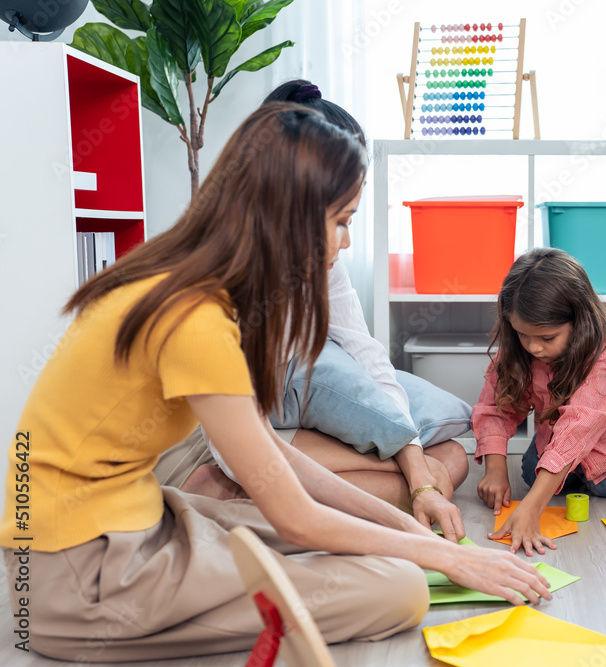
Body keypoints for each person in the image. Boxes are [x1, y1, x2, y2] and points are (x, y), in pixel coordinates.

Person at [0, 104, 549, 662]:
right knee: (401, 588)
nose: (346, 243)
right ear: (290, 218)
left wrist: (407, 528)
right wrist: (447, 559)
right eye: (341, 222)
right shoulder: (195, 318)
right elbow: (293, 513)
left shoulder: (194, 285)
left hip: (134, 517)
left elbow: (273, 457)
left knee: (393, 555)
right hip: (76, 571)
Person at [162, 80, 473, 542]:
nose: (347, 239)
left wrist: (414, 465)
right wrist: (412, 475)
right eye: (342, 218)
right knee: (419, 476)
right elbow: (241, 448)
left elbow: (366, 355)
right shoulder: (217, 298)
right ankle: (230, 496)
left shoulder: (321, 260)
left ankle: (246, 495)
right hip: (241, 437)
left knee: (453, 458)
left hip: (285, 420)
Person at [474, 248, 606, 556]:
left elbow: (577, 431)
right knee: (530, 472)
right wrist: (495, 471)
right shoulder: (520, 349)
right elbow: (496, 408)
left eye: (547, 338)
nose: (534, 347)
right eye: (523, 335)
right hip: (566, 424)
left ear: (580, 321)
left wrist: (533, 509)